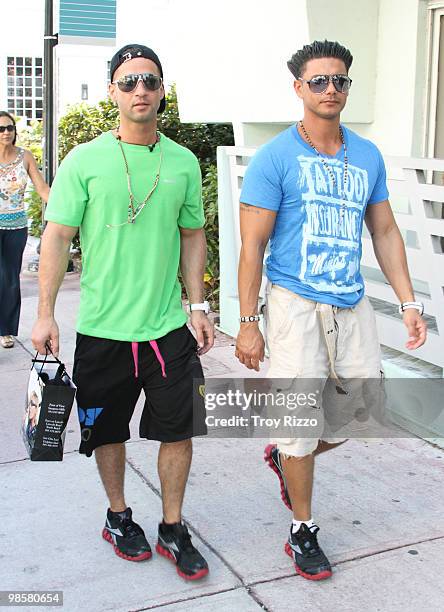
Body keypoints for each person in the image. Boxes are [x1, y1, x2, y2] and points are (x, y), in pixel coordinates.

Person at [235, 40, 427, 581]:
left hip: (350, 300)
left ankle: (286, 456)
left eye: (339, 80)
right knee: (298, 422)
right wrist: (249, 323)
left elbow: (384, 230)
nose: (330, 89)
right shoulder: (275, 157)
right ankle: (302, 529)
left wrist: (409, 302)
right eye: (318, 81)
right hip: (294, 303)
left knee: (362, 415)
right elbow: (252, 246)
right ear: (298, 87)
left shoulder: (366, 155)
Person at [32, 44, 214, 580]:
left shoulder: (180, 161)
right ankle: (118, 516)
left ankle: (173, 526)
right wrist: (44, 314)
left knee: (178, 431)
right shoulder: (84, 160)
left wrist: (198, 304)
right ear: (112, 90)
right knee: (106, 433)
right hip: (102, 331)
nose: (141, 90)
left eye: (150, 81)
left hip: (166, 331)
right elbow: (56, 236)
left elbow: (193, 234)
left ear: (162, 91)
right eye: (129, 81)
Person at [0, 111, 49, 349]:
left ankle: (6, 331)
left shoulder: (24, 157)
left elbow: (41, 188)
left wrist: (67, 206)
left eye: (10, 128)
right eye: (1, 129)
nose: (6, 132)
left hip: (16, 226)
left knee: (10, 279)